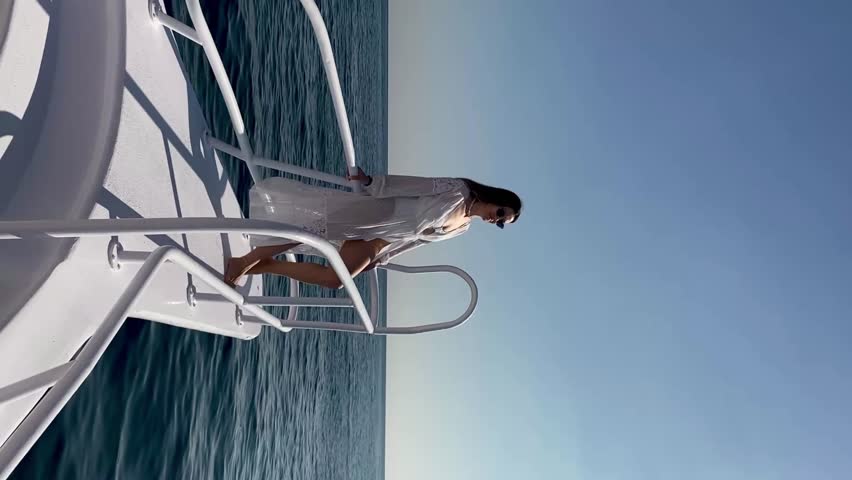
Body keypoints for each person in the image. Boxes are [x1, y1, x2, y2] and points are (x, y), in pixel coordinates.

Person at [224, 168, 522, 288]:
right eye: (500, 213)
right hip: (380, 211)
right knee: (313, 230)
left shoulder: (463, 228)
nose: (495, 220)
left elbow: (418, 241)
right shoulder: (457, 190)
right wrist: (372, 183)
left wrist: (384, 257)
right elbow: (413, 186)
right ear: (496, 199)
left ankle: (263, 266)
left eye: (500, 224)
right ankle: (243, 263)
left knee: (335, 280)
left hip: (386, 238)